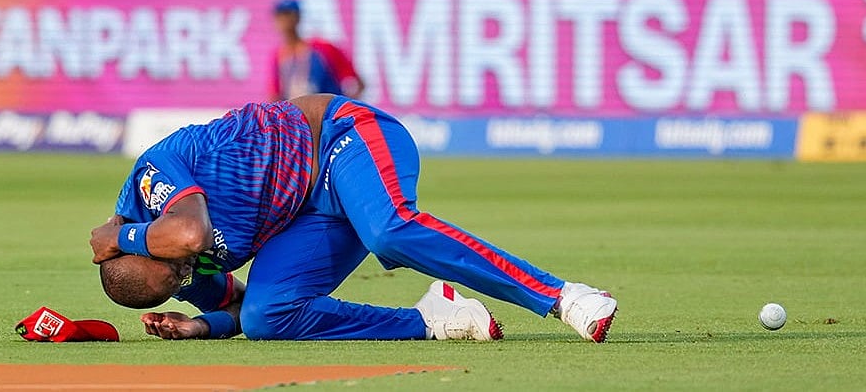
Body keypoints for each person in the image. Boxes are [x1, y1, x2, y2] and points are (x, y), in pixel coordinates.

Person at [90, 94, 618, 342]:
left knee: (389, 229)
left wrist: (124, 234)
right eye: (178, 281)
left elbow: (188, 233)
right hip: (307, 215)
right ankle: (434, 319)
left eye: (177, 268)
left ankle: (561, 296)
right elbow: (241, 304)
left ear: (141, 243)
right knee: (266, 320)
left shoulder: (151, 179)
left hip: (340, 139)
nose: (189, 272)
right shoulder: (173, 267)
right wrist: (202, 323)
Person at [267, 0, 364, 101]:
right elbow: (275, 95)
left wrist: (345, 108)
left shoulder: (323, 49)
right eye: (280, 15)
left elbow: (357, 82)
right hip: (298, 115)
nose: (285, 20)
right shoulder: (278, 56)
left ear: (298, 16)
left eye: (289, 14)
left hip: (327, 115)